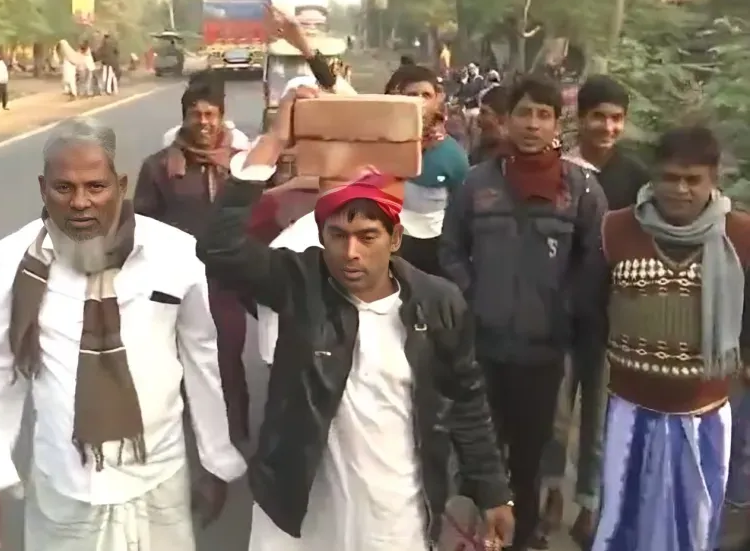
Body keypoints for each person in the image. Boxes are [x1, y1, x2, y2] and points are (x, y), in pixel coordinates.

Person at [197, 84, 515, 551]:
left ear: (396, 238)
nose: (350, 252)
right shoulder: (298, 281)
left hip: (393, 513)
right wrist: (275, 139)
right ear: (320, 234)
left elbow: (466, 401)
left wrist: (493, 493)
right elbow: (219, 247)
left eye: (368, 236)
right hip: (298, 513)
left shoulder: (437, 303)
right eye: (338, 235)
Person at [0, 117, 245, 551]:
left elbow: (201, 357)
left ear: (121, 184)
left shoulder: (173, 253)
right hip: (65, 485)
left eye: (96, 186)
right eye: (64, 188)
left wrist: (215, 458)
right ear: (42, 188)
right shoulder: (14, 259)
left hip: (159, 477)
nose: (80, 202)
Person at [439, 76, 608, 551]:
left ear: (557, 123)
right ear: (508, 119)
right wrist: (473, 297)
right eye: (524, 113)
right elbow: (451, 250)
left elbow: (595, 261)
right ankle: (477, 537)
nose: (532, 124)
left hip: (546, 352)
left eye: (543, 115)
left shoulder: (581, 190)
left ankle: (524, 536)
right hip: (483, 346)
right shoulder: (477, 183)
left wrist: (564, 306)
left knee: (531, 458)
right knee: (481, 454)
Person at [591, 125, 750, 551]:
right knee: (622, 517)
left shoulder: (741, 236)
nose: (679, 189)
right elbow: (588, 307)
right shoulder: (616, 229)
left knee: (694, 523)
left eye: (692, 179)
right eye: (669, 178)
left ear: (714, 178)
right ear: (653, 177)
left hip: (706, 415)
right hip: (629, 409)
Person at [537, 74, 650, 549]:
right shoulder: (556, 169)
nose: (607, 126)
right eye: (598, 116)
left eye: (616, 118)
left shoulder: (637, 177)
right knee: (555, 415)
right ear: (579, 118)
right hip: (555, 313)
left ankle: (590, 503)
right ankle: (551, 495)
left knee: (600, 420)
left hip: (613, 317)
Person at [134, 78, 252, 443]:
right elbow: (142, 224)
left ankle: (234, 433)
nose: (203, 121)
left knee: (226, 357)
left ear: (222, 117)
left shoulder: (241, 165)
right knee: (180, 361)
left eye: (210, 114)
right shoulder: (159, 168)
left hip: (226, 278)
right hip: (176, 282)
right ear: (184, 117)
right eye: (195, 114)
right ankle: (189, 434)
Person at [389, 64, 469, 276]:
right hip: (388, 244)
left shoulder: (453, 156)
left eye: (426, 95)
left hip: (434, 249)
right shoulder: (381, 146)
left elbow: (461, 209)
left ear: (437, 99)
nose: (419, 102)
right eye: (412, 95)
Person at [470, 85, 509, 165]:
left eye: (484, 113)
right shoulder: (478, 153)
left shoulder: (515, 162)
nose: (478, 118)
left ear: (503, 118)